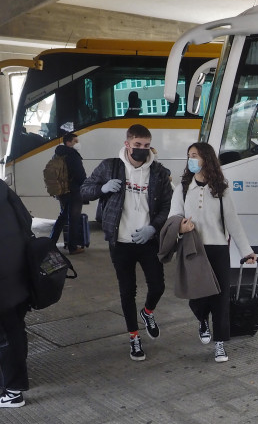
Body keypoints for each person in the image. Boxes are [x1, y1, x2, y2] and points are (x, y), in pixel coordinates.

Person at [80, 124, 173, 361]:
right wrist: (102, 188)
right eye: (137, 145)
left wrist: (153, 227)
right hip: (120, 242)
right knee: (127, 291)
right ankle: (134, 337)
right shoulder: (110, 166)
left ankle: (148, 312)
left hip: (147, 240)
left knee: (158, 285)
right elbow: (84, 190)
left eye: (146, 145)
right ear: (127, 144)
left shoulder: (159, 172)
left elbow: (166, 206)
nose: (142, 149)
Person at [168, 142, 256, 362]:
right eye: (189, 155)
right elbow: (173, 216)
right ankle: (202, 320)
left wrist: (246, 251)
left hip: (217, 248)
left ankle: (220, 344)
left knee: (220, 297)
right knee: (197, 295)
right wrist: (180, 226)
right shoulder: (183, 187)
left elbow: (233, 222)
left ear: (206, 158)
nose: (191, 159)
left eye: (195, 155)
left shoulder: (221, 189)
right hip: (192, 248)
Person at [0, 179, 32, 407]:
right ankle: (15, 383)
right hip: (18, 273)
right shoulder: (4, 190)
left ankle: (12, 391)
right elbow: (27, 221)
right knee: (15, 329)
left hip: (4, 277)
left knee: (5, 338)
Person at [49, 132, 87, 255]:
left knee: (63, 216)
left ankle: (51, 243)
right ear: (68, 142)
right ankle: (73, 247)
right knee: (74, 219)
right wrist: (84, 185)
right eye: (75, 141)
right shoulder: (72, 155)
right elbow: (80, 175)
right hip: (74, 190)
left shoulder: (57, 154)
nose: (78, 144)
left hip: (62, 191)